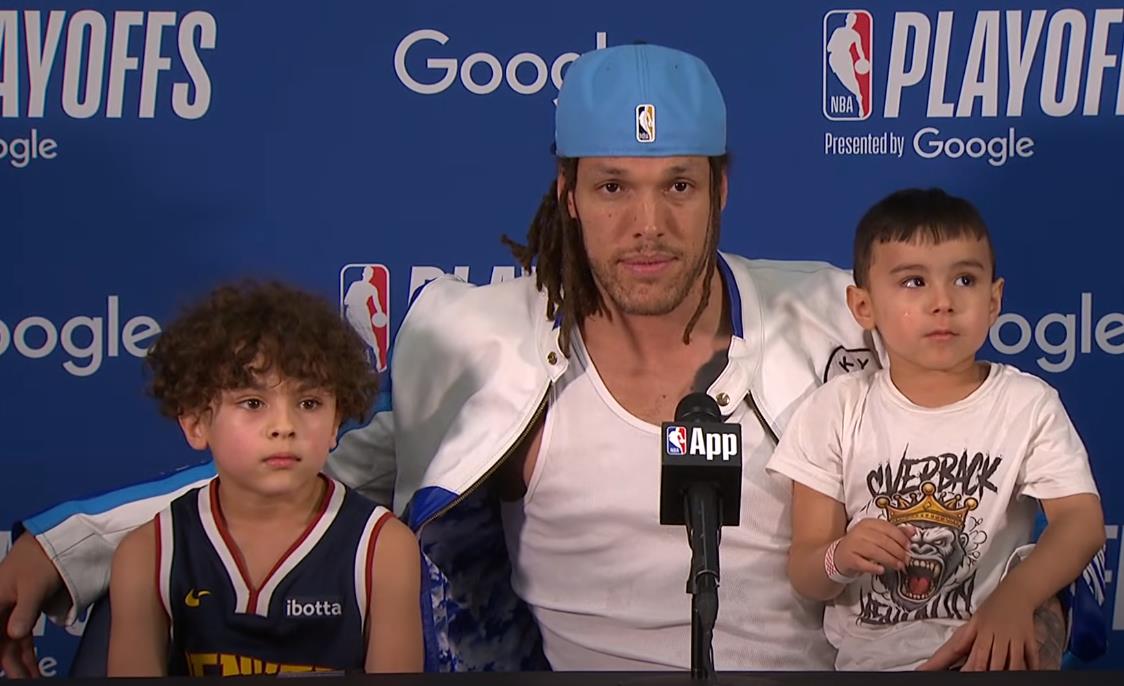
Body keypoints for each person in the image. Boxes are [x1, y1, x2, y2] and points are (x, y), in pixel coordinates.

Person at [0, 45, 1097, 676]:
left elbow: (985, 460)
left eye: (678, 186)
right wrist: (67, 544)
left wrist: (1025, 604)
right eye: (613, 187)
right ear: (567, 194)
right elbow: (308, 472)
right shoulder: (484, 342)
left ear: (721, 189)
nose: (647, 226)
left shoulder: (836, 323)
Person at [765, 188, 1105, 671]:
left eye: (964, 279)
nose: (943, 302)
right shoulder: (835, 409)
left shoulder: (1027, 404)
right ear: (863, 306)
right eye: (914, 282)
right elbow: (806, 571)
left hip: (988, 656)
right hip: (871, 665)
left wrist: (1015, 598)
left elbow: (1080, 522)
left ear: (994, 299)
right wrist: (839, 556)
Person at [103, 282, 422, 676]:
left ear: (336, 422)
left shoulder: (384, 549)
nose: (284, 426)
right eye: (253, 403)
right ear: (196, 422)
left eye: (309, 403)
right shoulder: (147, 554)